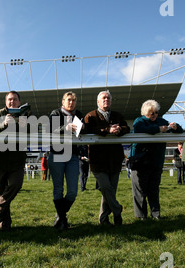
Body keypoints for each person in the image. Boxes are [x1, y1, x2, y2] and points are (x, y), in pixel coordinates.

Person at [129, 100, 183, 220]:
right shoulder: (140, 121)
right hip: (140, 162)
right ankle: (141, 216)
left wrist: (175, 127)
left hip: (156, 161)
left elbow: (179, 130)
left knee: (154, 189)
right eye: (151, 113)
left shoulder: (162, 121)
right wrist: (158, 129)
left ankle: (156, 214)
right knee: (140, 190)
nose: (154, 115)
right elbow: (139, 129)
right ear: (145, 113)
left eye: (156, 112)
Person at [84, 90, 130, 225]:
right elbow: (88, 130)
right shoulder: (90, 116)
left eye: (108, 98)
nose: (106, 100)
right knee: (105, 187)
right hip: (98, 160)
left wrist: (119, 130)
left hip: (115, 159)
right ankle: (117, 210)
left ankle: (104, 219)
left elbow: (126, 128)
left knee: (110, 191)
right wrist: (107, 130)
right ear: (98, 101)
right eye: (103, 98)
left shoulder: (117, 115)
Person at [0, 91, 30, 231]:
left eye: (15, 99)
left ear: (19, 102)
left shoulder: (26, 114)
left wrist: (21, 123)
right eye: (9, 99)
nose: (12, 102)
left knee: (16, 185)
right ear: (6, 102)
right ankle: (4, 224)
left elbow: (31, 130)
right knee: (0, 194)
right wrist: (4, 124)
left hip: (17, 159)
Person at [48, 91, 84, 230]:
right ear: (63, 102)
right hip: (57, 154)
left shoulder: (78, 114)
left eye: (74, 100)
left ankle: (60, 217)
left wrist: (83, 127)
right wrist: (66, 128)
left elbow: (82, 130)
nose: (71, 102)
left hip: (73, 155)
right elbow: (51, 129)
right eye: (68, 100)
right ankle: (62, 220)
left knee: (72, 191)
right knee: (58, 188)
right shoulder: (55, 113)